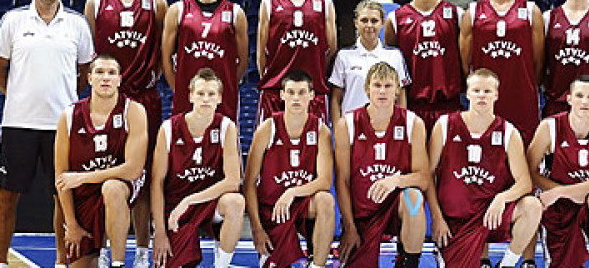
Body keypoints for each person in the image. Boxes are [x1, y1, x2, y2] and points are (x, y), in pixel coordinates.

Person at [0, 0, 96, 268]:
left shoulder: (76, 24)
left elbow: (85, 70)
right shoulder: (13, 20)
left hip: (62, 125)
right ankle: (0, 262)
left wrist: (67, 99)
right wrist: (16, 93)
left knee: (62, 197)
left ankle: (62, 261)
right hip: (17, 123)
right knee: (7, 197)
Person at [84, 0, 168, 267]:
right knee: (107, 175)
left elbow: (163, 50)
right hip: (107, 97)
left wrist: (153, 76)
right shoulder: (96, 2)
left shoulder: (155, 2)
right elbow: (91, 53)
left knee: (143, 177)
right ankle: (105, 246)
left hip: (144, 98)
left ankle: (143, 250)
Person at [427, 69, 542, 268]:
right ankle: (444, 251)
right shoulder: (445, 125)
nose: (481, 95)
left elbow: (524, 183)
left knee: (532, 206)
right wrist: (436, 218)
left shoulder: (508, 132)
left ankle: (507, 264)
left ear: (496, 95)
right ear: (467, 93)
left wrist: (501, 198)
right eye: (477, 90)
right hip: (456, 221)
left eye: (487, 91)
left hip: (491, 216)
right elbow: (427, 176)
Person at [54, 55, 148, 268]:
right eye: (99, 72)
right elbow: (62, 178)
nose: (105, 78)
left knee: (111, 187)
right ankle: (94, 250)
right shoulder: (69, 116)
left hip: (122, 185)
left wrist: (83, 177)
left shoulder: (133, 111)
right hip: (84, 194)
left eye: (111, 73)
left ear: (120, 79)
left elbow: (133, 169)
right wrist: (72, 224)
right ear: (89, 78)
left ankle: (117, 262)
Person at [335, 62, 429, 268]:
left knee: (414, 197)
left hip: (395, 208)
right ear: (367, 88)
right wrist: (349, 227)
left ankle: (408, 262)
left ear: (397, 90)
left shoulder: (413, 123)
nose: (382, 91)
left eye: (388, 86)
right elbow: (342, 181)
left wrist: (395, 180)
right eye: (377, 85)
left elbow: (423, 178)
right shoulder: (347, 124)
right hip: (363, 216)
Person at [151, 68, 244, 268]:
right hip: (175, 207)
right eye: (200, 93)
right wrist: (159, 231)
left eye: (211, 94)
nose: (205, 99)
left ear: (219, 98)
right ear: (191, 95)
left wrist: (190, 200)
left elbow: (233, 181)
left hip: (209, 203)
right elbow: (156, 183)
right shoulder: (168, 129)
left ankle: (222, 264)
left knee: (235, 202)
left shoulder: (226, 127)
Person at [526, 76, 589, 268]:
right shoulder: (549, 127)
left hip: (588, 194)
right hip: (558, 203)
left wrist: (563, 191)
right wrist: (559, 192)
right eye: (579, 95)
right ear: (569, 99)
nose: (584, 101)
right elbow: (530, 171)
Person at [245, 70, 334, 268]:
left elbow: (325, 181)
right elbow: (249, 183)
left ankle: (317, 265)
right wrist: (256, 229)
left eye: (302, 92)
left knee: (325, 200)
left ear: (312, 95)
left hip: (303, 204)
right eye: (291, 92)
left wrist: (292, 192)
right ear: (282, 95)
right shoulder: (267, 129)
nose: (296, 98)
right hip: (272, 209)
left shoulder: (321, 131)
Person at [459, 0, 544, 146]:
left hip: (522, 100)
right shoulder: (473, 12)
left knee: (525, 163)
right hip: (485, 101)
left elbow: (539, 62)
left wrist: (527, 84)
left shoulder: (531, 11)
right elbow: (465, 62)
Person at [161, 0, 248, 122]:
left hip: (223, 98)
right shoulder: (177, 11)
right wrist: (179, 88)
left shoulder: (235, 13)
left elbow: (243, 61)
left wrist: (226, 87)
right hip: (188, 96)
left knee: (223, 144)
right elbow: (166, 59)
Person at [256, 0, 337, 123]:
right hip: (276, 91)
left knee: (315, 149)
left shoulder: (324, 1)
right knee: (271, 150)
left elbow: (330, 50)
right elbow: (262, 52)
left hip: (313, 91)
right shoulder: (269, 1)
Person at [384, 0, 464, 133]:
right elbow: (393, 65)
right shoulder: (396, 19)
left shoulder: (456, 14)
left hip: (449, 105)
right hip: (413, 106)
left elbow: (465, 59)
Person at [330, 0, 410, 122]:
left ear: (382, 23)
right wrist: (337, 130)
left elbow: (401, 96)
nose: (369, 25)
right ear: (356, 23)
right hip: (352, 126)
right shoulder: (343, 56)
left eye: (374, 21)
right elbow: (335, 99)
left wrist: (401, 124)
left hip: (386, 126)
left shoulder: (395, 56)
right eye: (364, 20)